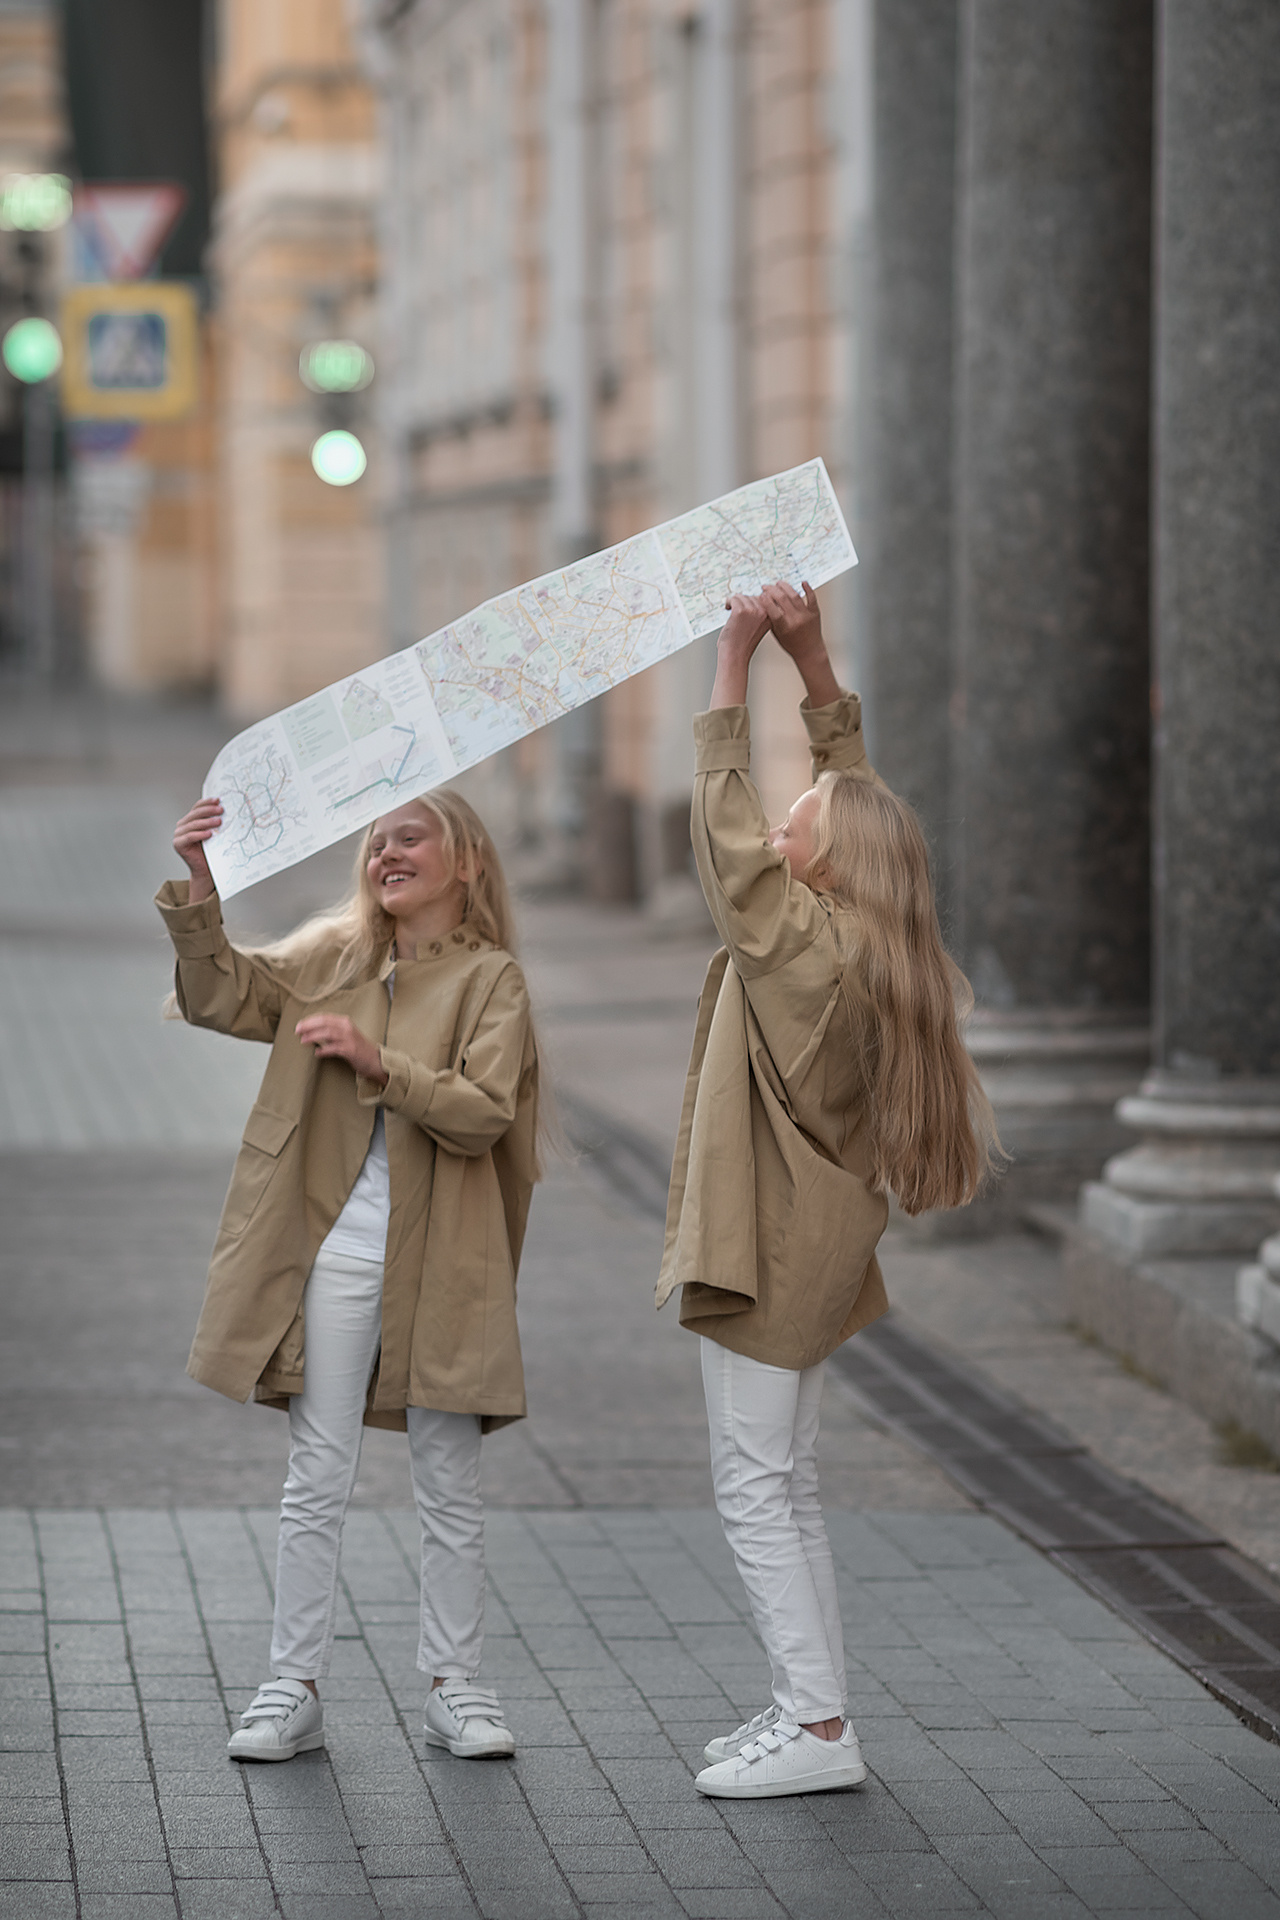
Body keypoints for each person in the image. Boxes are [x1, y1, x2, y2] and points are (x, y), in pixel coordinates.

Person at [659, 580, 999, 1800]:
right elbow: (852, 806)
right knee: (785, 1481)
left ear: (815, 858)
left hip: (772, 1240)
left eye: (792, 817)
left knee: (755, 1488)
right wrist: (815, 666)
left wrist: (731, 663)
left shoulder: (802, 947)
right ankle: (809, 1713)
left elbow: (721, 839)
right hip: (812, 1242)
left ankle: (814, 1733)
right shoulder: (866, 938)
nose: (777, 823)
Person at [158, 789, 539, 1764]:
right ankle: (291, 1687)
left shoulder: (491, 980)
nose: (384, 851)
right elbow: (221, 995)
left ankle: (458, 1689)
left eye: (407, 835)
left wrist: (381, 1062)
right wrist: (201, 892)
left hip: (447, 1254)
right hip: (329, 1249)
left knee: (449, 1479)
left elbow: (485, 1111)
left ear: (467, 861)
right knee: (316, 1472)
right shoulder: (331, 958)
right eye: (374, 840)